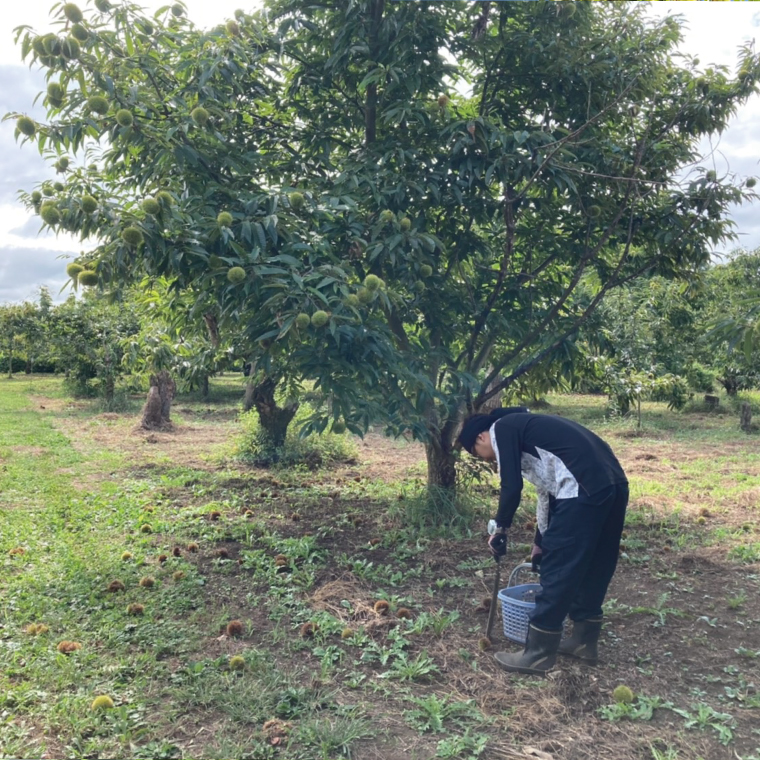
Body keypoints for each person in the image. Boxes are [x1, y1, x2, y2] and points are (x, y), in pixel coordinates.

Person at [458, 406, 628, 675]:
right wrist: (540, 541)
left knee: (558, 567)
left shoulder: (501, 428)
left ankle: (538, 654)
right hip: (613, 484)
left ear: (480, 438)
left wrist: (500, 528)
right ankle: (584, 641)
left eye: (476, 454)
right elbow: (547, 493)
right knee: (597, 562)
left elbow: (511, 485)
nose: (485, 460)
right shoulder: (530, 430)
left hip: (580, 488)